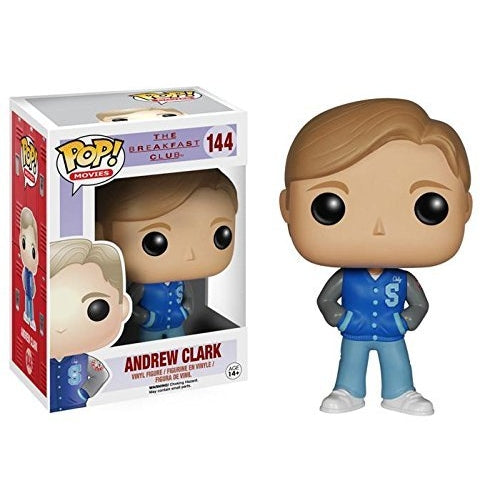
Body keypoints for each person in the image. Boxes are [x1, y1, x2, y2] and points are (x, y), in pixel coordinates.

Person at [280, 99, 472, 415]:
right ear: (287, 207)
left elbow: (420, 305)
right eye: (329, 206)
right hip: (354, 330)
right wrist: (341, 318)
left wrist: (405, 320)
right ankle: (347, 391)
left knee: (397, 362)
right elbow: (325, 300)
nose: (378, 228)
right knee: (350, 362)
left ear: (465, 207)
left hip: (390, 332)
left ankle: (400, 392)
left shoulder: (402, 279)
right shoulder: (346, 278)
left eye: (429, 206)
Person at [96, 169, 238, 342]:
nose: (190, 254)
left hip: (177, 324)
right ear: (100, 235)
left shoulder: (181, 282)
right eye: (155, 243)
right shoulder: (143, 286)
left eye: (221, 236)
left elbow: (189, 298)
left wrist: (185, 310)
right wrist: (145, 318)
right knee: (148, 348)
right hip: (151, 327)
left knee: (179, 346)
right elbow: (128, 305)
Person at [49, 238, 131, 412]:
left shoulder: (85, 360)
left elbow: (101, 375)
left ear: (123, 307)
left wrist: (84, 393)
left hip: (77, 407)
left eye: (97, 309)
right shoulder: (44, 359)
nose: (62, 327)